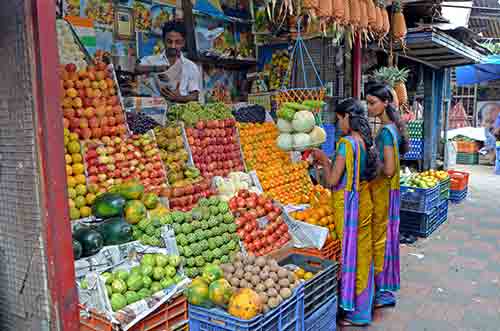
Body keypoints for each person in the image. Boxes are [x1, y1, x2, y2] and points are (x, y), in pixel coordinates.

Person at [308, 98, 377, 326]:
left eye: (339, 119)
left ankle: (351, 309)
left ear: (348, 117)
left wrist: (323, 160)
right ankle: (363, 309)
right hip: (364, 204)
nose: (338, 124)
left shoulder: (346, 144)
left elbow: (331, 180)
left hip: (348, 208)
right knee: (363, 254)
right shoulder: (365, 141)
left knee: (350, 256)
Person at [365, 82, 409, 309]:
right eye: (368, 103)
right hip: (390, 192)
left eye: (373, 103)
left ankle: (382, 291)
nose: (369, 107)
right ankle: (384, 288)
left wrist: (370, 171)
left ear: (385, 103)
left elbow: (389, 169)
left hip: (384, 192)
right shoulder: (393, 128)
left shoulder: (385, 131)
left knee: (380, 239)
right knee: (387, 238)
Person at [136, 21, 202, 103]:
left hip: (179, 111)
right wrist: (156, 68)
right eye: (169, 41)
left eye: (177, 42)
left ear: (183, 43)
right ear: (163, 40)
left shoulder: (191, 66)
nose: (173, 46)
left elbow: (195, 95)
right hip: (155, 110)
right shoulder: (151, 60)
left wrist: (180, 98)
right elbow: (136, 68)